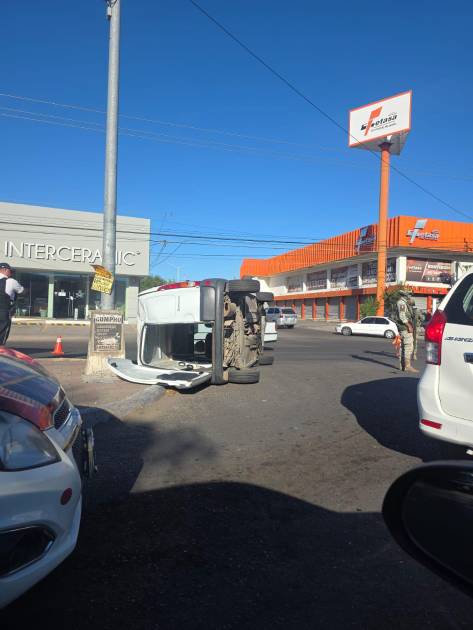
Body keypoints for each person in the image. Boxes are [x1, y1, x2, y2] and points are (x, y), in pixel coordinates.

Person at [394, 290, 418, 373]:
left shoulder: (404, 302)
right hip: (405, 327)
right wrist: (409, 325)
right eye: (409, 295)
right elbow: (402, 316)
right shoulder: (401, 303)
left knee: (403, 347)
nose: (410, 296)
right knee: (408, 346)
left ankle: (402, 366)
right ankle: (407, 366)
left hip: (403, 327)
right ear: (405, 295)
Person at [0, 263, 24, 345]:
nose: (11, 273)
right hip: (3, 310)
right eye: (10, 271)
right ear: (5, 270)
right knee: (2, 332)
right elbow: (21, 291)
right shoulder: (11, 281)